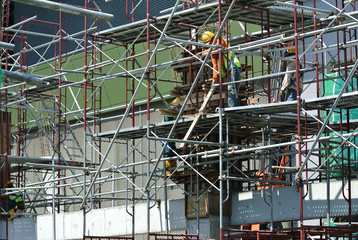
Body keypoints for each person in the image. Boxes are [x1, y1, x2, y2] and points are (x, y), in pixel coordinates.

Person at [197, 31, 241, 107]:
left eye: (211, 41)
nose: (210, 44)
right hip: (229, 69)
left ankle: (232, 108)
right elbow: (215, 66)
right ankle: (236, 107)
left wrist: (203, 52)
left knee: (231, 88)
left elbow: (216, 47)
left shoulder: (221, 41)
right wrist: (214, 78)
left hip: (233, 66)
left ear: (213, 38)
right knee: (233, 89)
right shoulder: (212, 52)